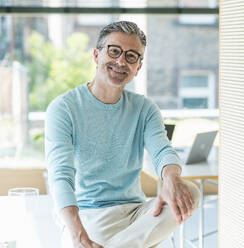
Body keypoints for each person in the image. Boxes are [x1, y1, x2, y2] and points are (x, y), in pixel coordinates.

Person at [45, 21, 200, 248]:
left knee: (191, 192)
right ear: (97, 55)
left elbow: (162, 150)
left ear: (138, 67)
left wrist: (171, 178)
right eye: (114, 51)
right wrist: (78, 236)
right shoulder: (64, 108)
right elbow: (60, 177)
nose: (121, 61)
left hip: (137, 214)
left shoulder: (144, 109)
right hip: (90, 215)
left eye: (131, 56)